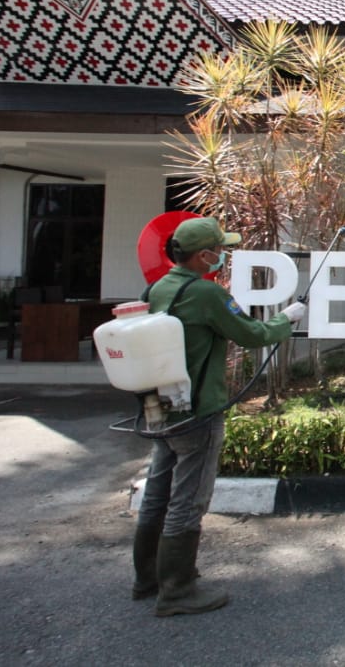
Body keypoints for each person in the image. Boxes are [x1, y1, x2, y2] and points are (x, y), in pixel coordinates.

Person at [130, 217, 305, 617]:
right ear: (204, 255)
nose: (222, 256)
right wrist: (287, 318)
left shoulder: (158, 288)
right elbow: (252, 335)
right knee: (188, 500)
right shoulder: (206, 294)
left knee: (157, 494)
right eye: (218, 249)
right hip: (199, 411)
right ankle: (177, 591)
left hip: (161, 408)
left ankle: (147, 578)